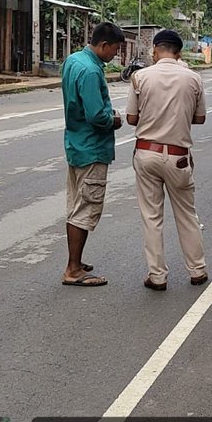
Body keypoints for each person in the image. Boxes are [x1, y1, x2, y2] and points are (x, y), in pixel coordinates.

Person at [126, 29, 208, 291]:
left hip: (147, 153)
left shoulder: (140, 77)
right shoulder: (193, 78)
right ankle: (197, 270)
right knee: (186, 214)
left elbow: (131, 119)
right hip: (178, 157)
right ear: (179, 53)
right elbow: (200, 118)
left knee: (151, 217)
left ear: (155, 49)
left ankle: (157, 276)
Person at [61, 22, 125, 286]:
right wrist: (114, 120)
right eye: (115, 49)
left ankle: (75, 261)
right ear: (103, 45)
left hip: (76, 144)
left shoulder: (73, 61)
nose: (116, 55)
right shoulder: (90, 71)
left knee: (77, 205)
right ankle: (73, 269)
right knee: (86, 208)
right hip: (92, 147)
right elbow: (96, 115)